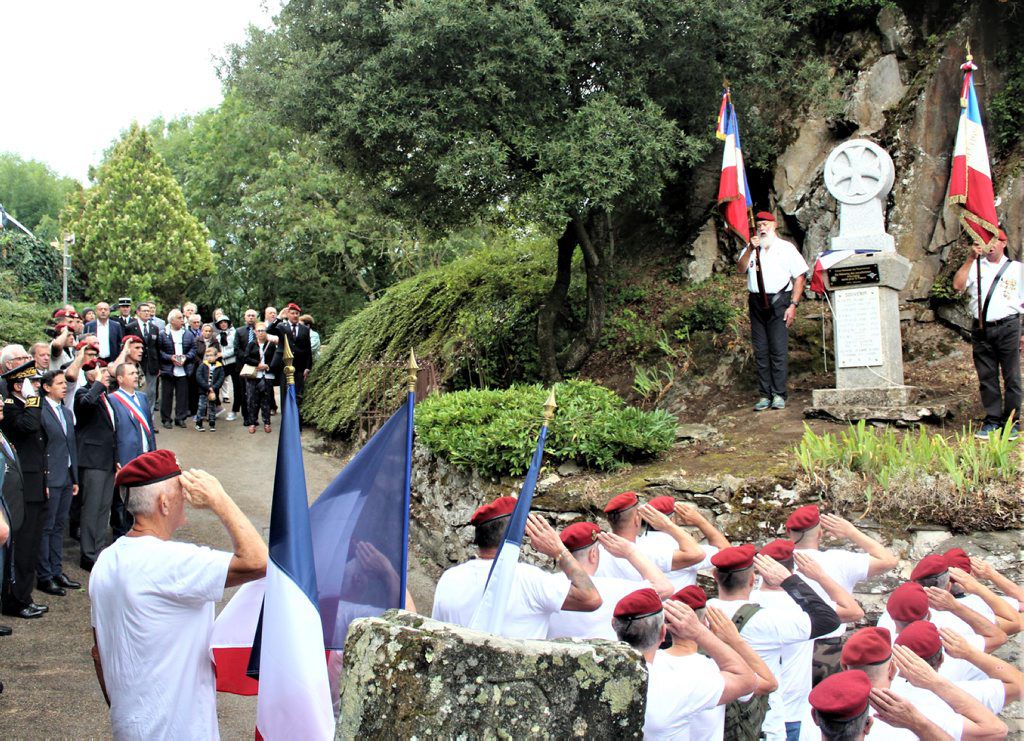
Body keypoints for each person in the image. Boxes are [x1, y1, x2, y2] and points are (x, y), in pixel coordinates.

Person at [90, 451, 268, 740]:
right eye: (180, 490)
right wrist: (219, 500)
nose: (186, 496)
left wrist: (125, 709)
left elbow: (99, 654)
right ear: (164, 503)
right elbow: (259, 561)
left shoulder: (105, 561)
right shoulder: (171, 562)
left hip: (129, 726)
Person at [706, 545, 841, 741]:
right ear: (753, 580)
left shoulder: (701, 613)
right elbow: (828, 620)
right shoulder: (766, 620)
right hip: (761, 723)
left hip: (712, 720)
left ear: (714, 576)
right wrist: (789, 581)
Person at [431, 498, 600, 638]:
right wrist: (559, 551)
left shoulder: (449, 578)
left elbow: (437, 633)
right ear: (518, 532)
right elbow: (591, 598)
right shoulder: (529, 579)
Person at [751, 540, 864, 740]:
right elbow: (854, 612)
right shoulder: (805, 607)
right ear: (792, 569)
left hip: (750, 707)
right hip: (792, 710)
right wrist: (819, 575)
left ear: (759, 569)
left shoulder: (747, 602)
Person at [610, 589, 756, 739]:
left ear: (614, 625)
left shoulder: (597, 672)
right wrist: (699, 633)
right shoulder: (678, 686)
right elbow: (747, 681)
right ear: (662, 633)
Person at [786, 504, 898, 684]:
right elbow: (888, 560)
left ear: (787, 532)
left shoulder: (778, 562)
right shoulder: (838, 560)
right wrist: (851, 532)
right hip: (828, 650)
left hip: (789, 642)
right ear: (820, 533)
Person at [546, 521, 673, 641]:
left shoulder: (546, 584)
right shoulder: (612, 588)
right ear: (593, 554)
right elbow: (664, 588)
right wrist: (630, 552)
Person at [952, 227, 1023, 440]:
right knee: (987, 376)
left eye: (995, 241)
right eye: (986, 242)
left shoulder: (1017, 269)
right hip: (982, 328)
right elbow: (957, 286)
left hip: (1009, 326)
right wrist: (970, 259)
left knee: (1011, 376)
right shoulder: (975, 267)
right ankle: (992, 420)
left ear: (1004, 243)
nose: (990, 246)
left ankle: (1011, 422)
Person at [736, 211, 809, 411]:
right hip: (757, 302)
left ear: (774, 225)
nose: (762, 228)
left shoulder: (786, 249)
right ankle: (764, 394)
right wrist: (751, 248)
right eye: (759, 224)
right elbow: (741, 268)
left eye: (766, 224)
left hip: (779, 301)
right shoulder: (752, 248)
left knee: (777, 349)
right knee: (761, 349)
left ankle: (778, 394)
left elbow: (800, 276)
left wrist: (793, 305)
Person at [0, 362, 50, 616]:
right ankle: (15, 600)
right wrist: (32, 399)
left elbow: (40, 446)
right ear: (18, 386)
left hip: (35, 485)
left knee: (31, 547)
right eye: (33, 384)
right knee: (21, 548)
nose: (38, 388)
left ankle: (24, 596)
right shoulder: (11, 409)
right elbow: (29, 427)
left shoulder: (28, 407)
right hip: (22, 490)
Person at [36, 370, 80, 596]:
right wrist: (43, 478)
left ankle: (56, 570)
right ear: (46, 387)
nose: (65, 387)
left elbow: (71, 446)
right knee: (47, 526)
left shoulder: (65, 411)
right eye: (60, 383)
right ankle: (44, 575)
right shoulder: (40, 411)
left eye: (65, 383)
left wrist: (75, 478)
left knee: (59, 526)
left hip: (65, 476)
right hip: (51, 477)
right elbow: (41, 449)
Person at [598, 491, 705, 581]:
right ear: (637, 519)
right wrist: (668, 525)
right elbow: (697, 554)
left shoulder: (595, 552)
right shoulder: (647, 551)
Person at [74, 361, 118, 571]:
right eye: (99, 371)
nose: (105, 375)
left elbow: (112, 429)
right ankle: (88, 554)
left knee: (103, 508)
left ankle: (98, 549)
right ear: (89, 374)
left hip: (107, 459)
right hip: (92, 460)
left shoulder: (105, 397)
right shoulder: (83, 394)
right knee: (91, 508)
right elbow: (85, 406)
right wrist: (98, 384)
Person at [158, 310, 196, 429]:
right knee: (166, 395)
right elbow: (159, 351)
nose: (182, 320)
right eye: (179, 318)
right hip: (168, 369)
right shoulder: (163, 334)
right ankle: (166, 419)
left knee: (182, 395)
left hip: (184, 369)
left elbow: (193, 349)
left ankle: (180, 418)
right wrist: (170, 358)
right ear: (172, 320)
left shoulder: (188, 334)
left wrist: (186, 357)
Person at [242, 323, 282, 434]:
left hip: (267, 376)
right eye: (258, 330)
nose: (261, 333)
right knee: (252, 400)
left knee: (266, 400)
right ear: (255, 332)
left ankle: (267, 422)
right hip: (253, 376)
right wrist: (257, 364)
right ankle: (252, 422)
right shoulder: (251, 344)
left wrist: (267, 366)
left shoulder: (271, 345)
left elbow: (276, 358)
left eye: (263, 330)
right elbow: (246, 358)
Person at [126, 302, 162, 415]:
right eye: (144, 311)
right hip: (136, 364)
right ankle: (136, 416)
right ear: (137, 312)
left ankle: (149, 418)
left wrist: (159, 366)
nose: (147, 313)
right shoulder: (130, 327)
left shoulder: (154, 328)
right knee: (136, 390)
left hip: (152, 365)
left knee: (151, 392)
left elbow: (157, 348)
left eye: (148, 311)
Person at [276, 303, 313, 401]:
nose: (295, 315)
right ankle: (286, 416)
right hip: (285, 366)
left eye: (297, 313)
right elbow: (269, 330)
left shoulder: (304, 329)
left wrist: (308, 367)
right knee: (285, 393)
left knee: (298, 394)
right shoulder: (282, 326)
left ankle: (297, 416)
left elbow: (308, 349)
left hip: (299, 367)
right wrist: (279, 317)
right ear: (288, 314)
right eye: (292, 313)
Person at [232, 309, 259, 420]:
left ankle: (255, 417)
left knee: (257, 392)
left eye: (253, 315)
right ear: (245, 317)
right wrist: (247, 359)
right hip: (243, 366)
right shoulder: (239, 331)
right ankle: (246, 417)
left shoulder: (260, 330)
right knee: (244, 392)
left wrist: (255, 361)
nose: (251, 317)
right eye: (249, 315)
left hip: (258, 365)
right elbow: (236, 349)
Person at [194, 347, 224, 432]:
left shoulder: (220, 367)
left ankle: (212, 423)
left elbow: (221, 379)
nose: (209, 357)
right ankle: (199, 423)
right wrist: (207, 387)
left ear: (216, 356)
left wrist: (214, 388)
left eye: (211, 355)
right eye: (207, 356)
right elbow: (199, 377)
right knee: (201, 406)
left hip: (214, 392)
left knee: (212, 407)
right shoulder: (202, 365)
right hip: (203, 390)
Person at [213, 316, 237, 420]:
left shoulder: (234, 333)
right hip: (223, 364)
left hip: (234, 363)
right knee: (216, 385)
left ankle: (235, 410)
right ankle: (216, 406)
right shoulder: (217, 337)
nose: (223, 324)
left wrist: (222, 354)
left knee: (238, 388)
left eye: (225, 322)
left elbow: (234, 348)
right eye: (221, 323)